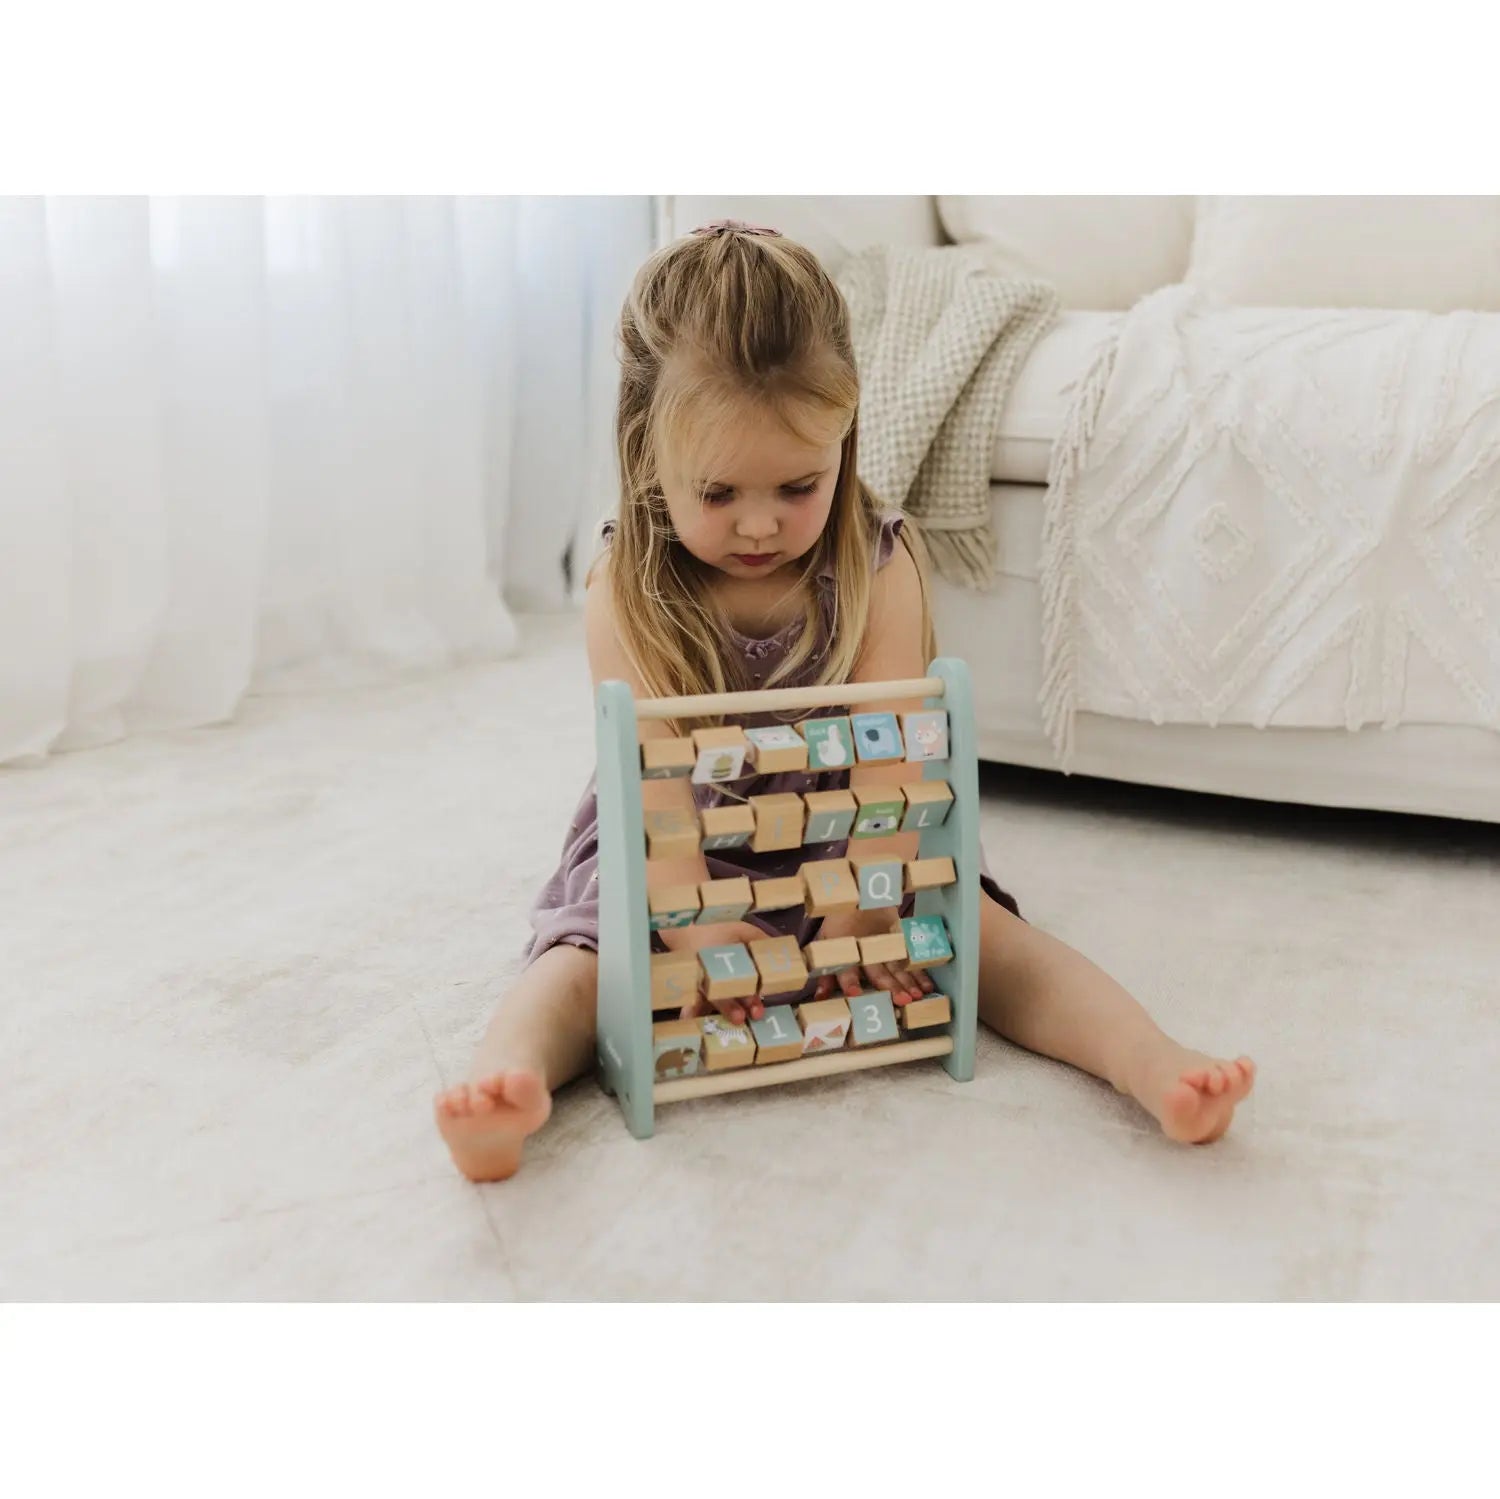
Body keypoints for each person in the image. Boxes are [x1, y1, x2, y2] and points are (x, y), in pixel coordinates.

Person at [435, 219, 1255, 1182]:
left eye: (798, 484)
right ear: (647, 452)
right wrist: (703, 931)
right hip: (677, 844)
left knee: (990, 941)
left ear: (845, 438)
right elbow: (653, 801)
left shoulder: (880, 563)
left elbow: (892, 761)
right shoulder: (626, 587)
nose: (759, 524)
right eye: (718, 492)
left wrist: (865, 909)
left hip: (862, 830)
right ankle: (505, 1084)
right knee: (583, 966)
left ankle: (1149, 1061)